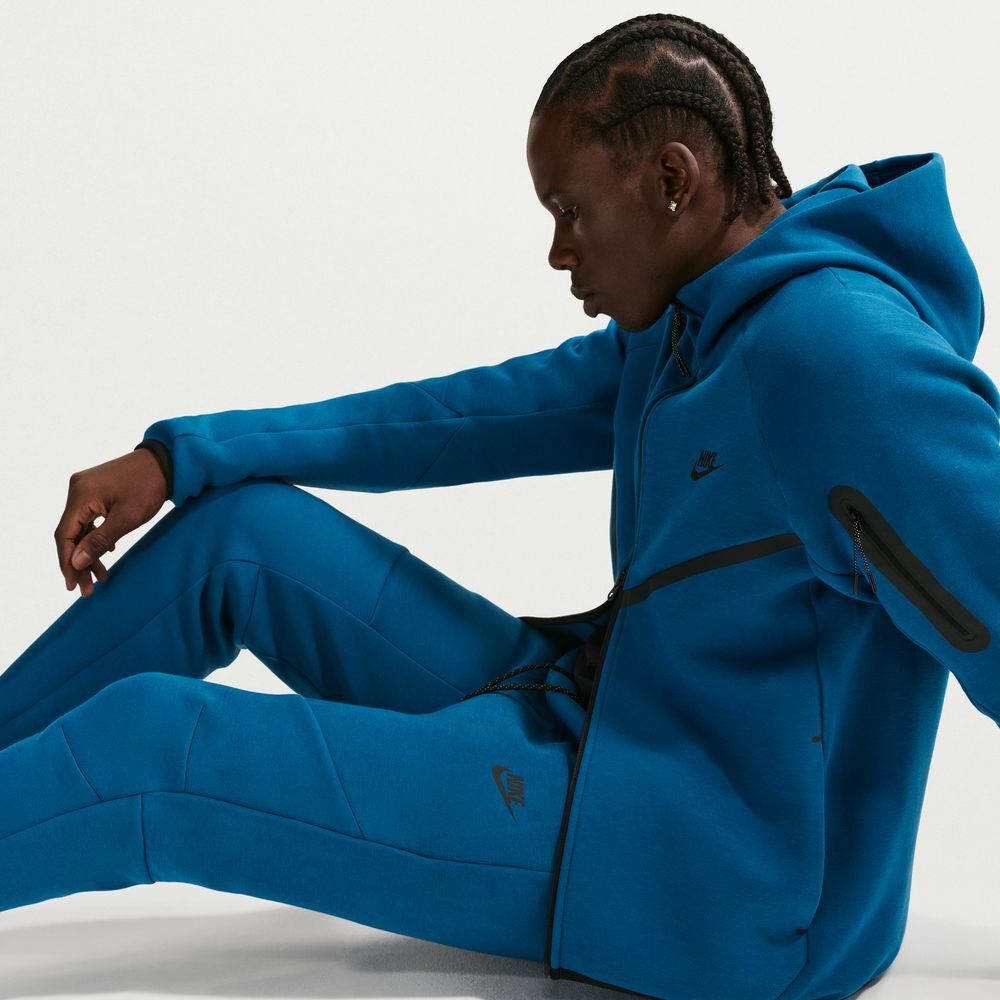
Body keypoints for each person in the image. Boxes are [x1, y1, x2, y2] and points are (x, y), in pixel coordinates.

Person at [1, 13, 994, 1000]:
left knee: (153, 745)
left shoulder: (841, 360)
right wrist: (181, 458)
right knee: (239, 537)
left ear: (672, 180)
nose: (559, 252)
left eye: (570, 210)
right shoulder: (698, 317)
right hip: (609, 722)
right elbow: (463, 418)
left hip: (710, 880)